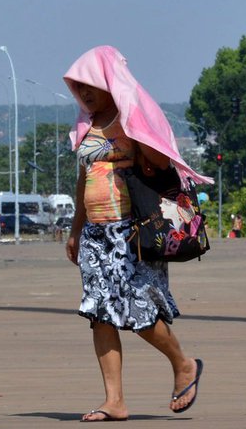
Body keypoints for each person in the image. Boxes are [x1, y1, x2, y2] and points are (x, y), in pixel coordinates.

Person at [63, 46, 213, 421]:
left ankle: (183, 364)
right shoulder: (86, 125)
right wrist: (75, 230)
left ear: (108, 82)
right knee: (100, 313)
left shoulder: (132, 116)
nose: (83, 94)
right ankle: (114, 401)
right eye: (77, 87)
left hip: (132, 231)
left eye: (89, 86)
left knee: (137, 309)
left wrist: (136, 124)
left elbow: (161, 161)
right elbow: (84, 179)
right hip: (96, 234)